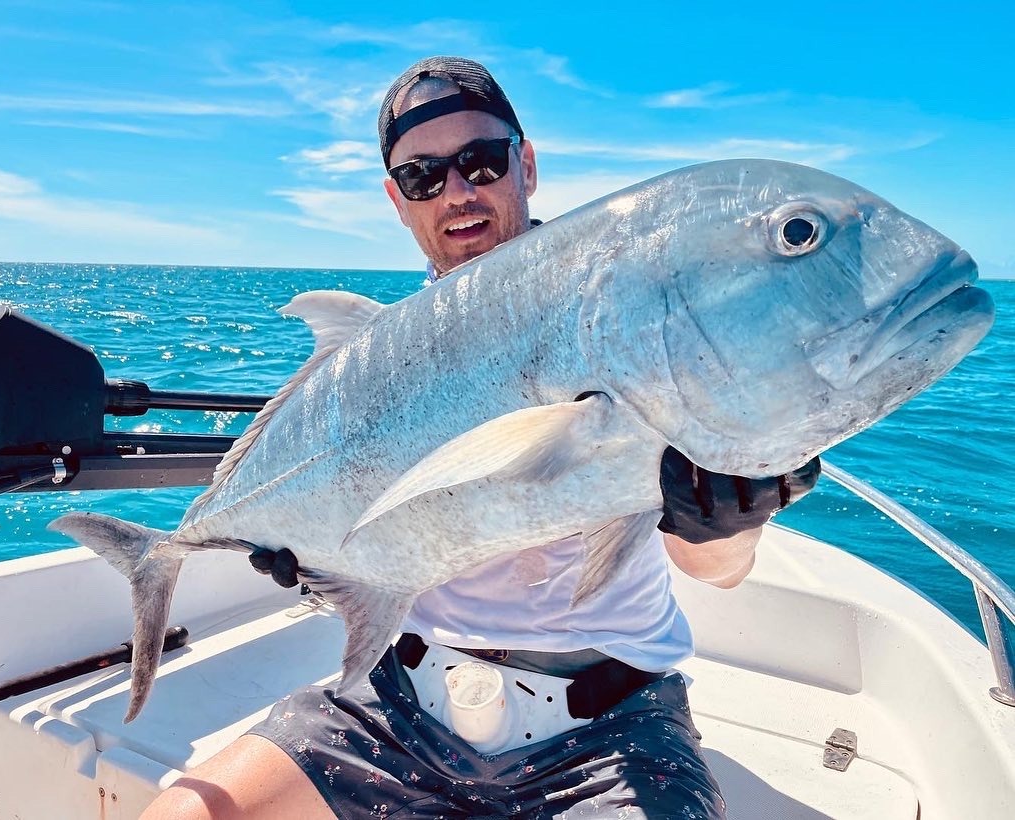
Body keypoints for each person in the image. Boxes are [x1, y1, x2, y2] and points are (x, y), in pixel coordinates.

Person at [142, 56, 820, 819]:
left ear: (524, 163)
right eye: (424, 177)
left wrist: (727, 519)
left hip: (608, 727)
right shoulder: (382, 361)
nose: (458, 193)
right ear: (398, 200)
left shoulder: (617, 308)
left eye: (480, 161)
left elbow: (714, 568)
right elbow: (368, 530)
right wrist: (320, 559)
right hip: (396, 704)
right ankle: (160, 559)